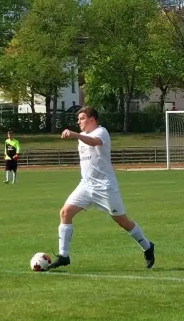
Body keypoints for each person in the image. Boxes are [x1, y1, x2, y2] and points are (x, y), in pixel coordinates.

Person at [49, 106, 155, 270]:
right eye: (78, 119)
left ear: (92, 119)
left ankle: (147, 246)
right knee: (65, 212)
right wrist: (78, 135)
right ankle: (64, 256)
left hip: (105, 187)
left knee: (122, 221)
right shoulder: (82, 136)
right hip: (85, 185)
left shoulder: (101, 132)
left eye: (82, 118)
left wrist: (75, 134)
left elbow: (94, 142)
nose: (79, 122)